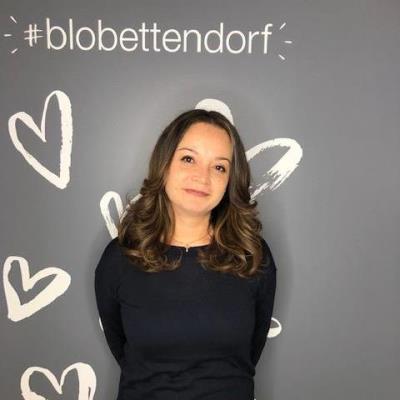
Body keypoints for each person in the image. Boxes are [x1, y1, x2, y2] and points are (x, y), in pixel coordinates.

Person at [94, 108, 277, 400]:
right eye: (188, 159)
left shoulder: (252, 257)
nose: (202, 177)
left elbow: (250, 353)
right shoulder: (121, 258)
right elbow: (121, 347)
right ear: (164, 164)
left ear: (231, 180)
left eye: (219, 167)